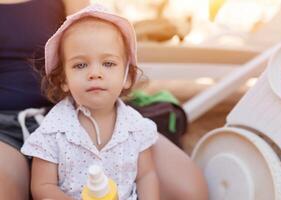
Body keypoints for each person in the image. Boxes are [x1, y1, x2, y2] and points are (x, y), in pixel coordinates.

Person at [0, 1, 208, 200]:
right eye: (81, 65)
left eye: (108, 63)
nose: (95, 73)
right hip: (6, 121)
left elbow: (146, 174)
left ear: (128, 77)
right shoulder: (53, 130)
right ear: (63, 79)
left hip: (58, 106)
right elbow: (43, 187)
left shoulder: (134, 127)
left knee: (191, 190)